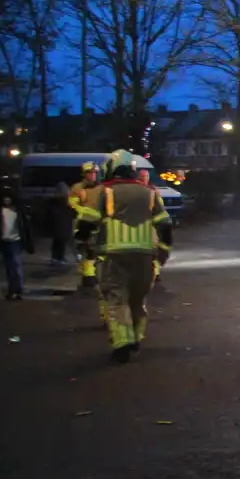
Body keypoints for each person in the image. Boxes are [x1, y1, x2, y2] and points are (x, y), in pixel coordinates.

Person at [77, 150, 174, 363]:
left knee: (116, 299)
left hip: (113, 254)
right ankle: (137, 337)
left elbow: (87, 222)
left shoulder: (103, 191)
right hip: (144, 255)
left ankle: (123, 343)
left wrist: (82, 241)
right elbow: (164, 223)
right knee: (137, 300)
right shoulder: (150, 192)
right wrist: (164, 249)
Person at [0, 187, 35, 301]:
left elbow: (26, 227)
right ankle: (12, 290)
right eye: (4, 198)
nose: (6, 200)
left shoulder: (18, 211)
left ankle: (18, 290)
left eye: (8, 198)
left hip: (15, 240)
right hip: (4, 240)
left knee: (16, 265)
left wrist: (28, 242)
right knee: (9, 267)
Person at [69, 161, 103, 291]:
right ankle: (88, 277)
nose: (93, 175)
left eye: (95, 173)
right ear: (84, 174)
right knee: (87, 251)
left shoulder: (103, 188)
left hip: (99, 224)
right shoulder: (77, 188)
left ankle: (90, 276)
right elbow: (72, 206)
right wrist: (85, 213)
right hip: (84, 225)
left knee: (96, 252)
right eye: (90, 173)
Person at [138, 169, 164, 287]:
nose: (145, 178)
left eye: (146, 176)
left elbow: (160, 207)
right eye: (143, 176)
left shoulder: (154, 190)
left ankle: (156, 273)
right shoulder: (136, 190)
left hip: (151, 223)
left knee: (154, 249)